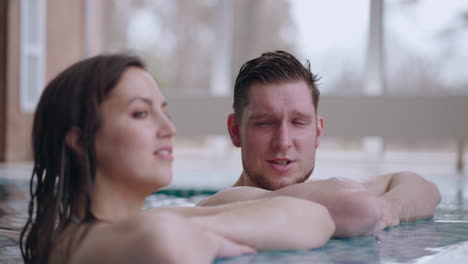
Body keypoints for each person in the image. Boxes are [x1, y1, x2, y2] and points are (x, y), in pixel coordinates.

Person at [19, 53, 335, 264]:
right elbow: (165, 242)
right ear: (80, 140)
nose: (169, 128)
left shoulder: (116, 228)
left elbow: (315, 219)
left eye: (165, 112)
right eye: (141, 113)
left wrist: (204, 234)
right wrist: (210, 238)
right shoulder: (76, 244)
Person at [197, 50, 441, 238]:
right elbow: (360, 208)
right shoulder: (219, 208)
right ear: (235, 131)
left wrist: (390, 208)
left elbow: (423, 187)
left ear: (318, 131)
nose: (283, 142)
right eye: (265, 123)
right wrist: (376, 208)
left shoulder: (328, 195)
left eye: (298, 122)